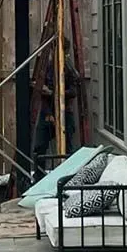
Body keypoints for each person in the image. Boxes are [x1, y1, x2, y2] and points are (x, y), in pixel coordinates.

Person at [32, 38, 80, 170]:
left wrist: (54, 92)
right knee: (39, 147)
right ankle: (39, 177)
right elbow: (40, 91)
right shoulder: (47, 67)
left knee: (68, 148)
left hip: (65, 112)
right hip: (48, 112)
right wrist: (48, 113)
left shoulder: (69, 68)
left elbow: (74, 91)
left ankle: (68, 175)